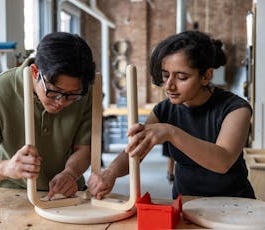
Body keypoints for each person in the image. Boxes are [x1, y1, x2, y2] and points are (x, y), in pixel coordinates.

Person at [88, 30, 255, 200]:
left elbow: (222, 162)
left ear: (206, 76)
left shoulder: (236, 109)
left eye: (181, 77)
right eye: (166, 75)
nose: (169, 86)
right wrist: (110, 172)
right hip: (186, 204)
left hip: (234, 204)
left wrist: (171, 133)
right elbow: (136, 150)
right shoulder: (164, 110)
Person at [0, 32, 96, 199]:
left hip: (67, 193)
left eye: (71, 95)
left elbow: (84, 149)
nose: (61, 102)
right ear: (35, 72)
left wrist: (70, 173)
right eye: (54, 92)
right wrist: (4, 168)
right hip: (13, 194)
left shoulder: (85, 92)